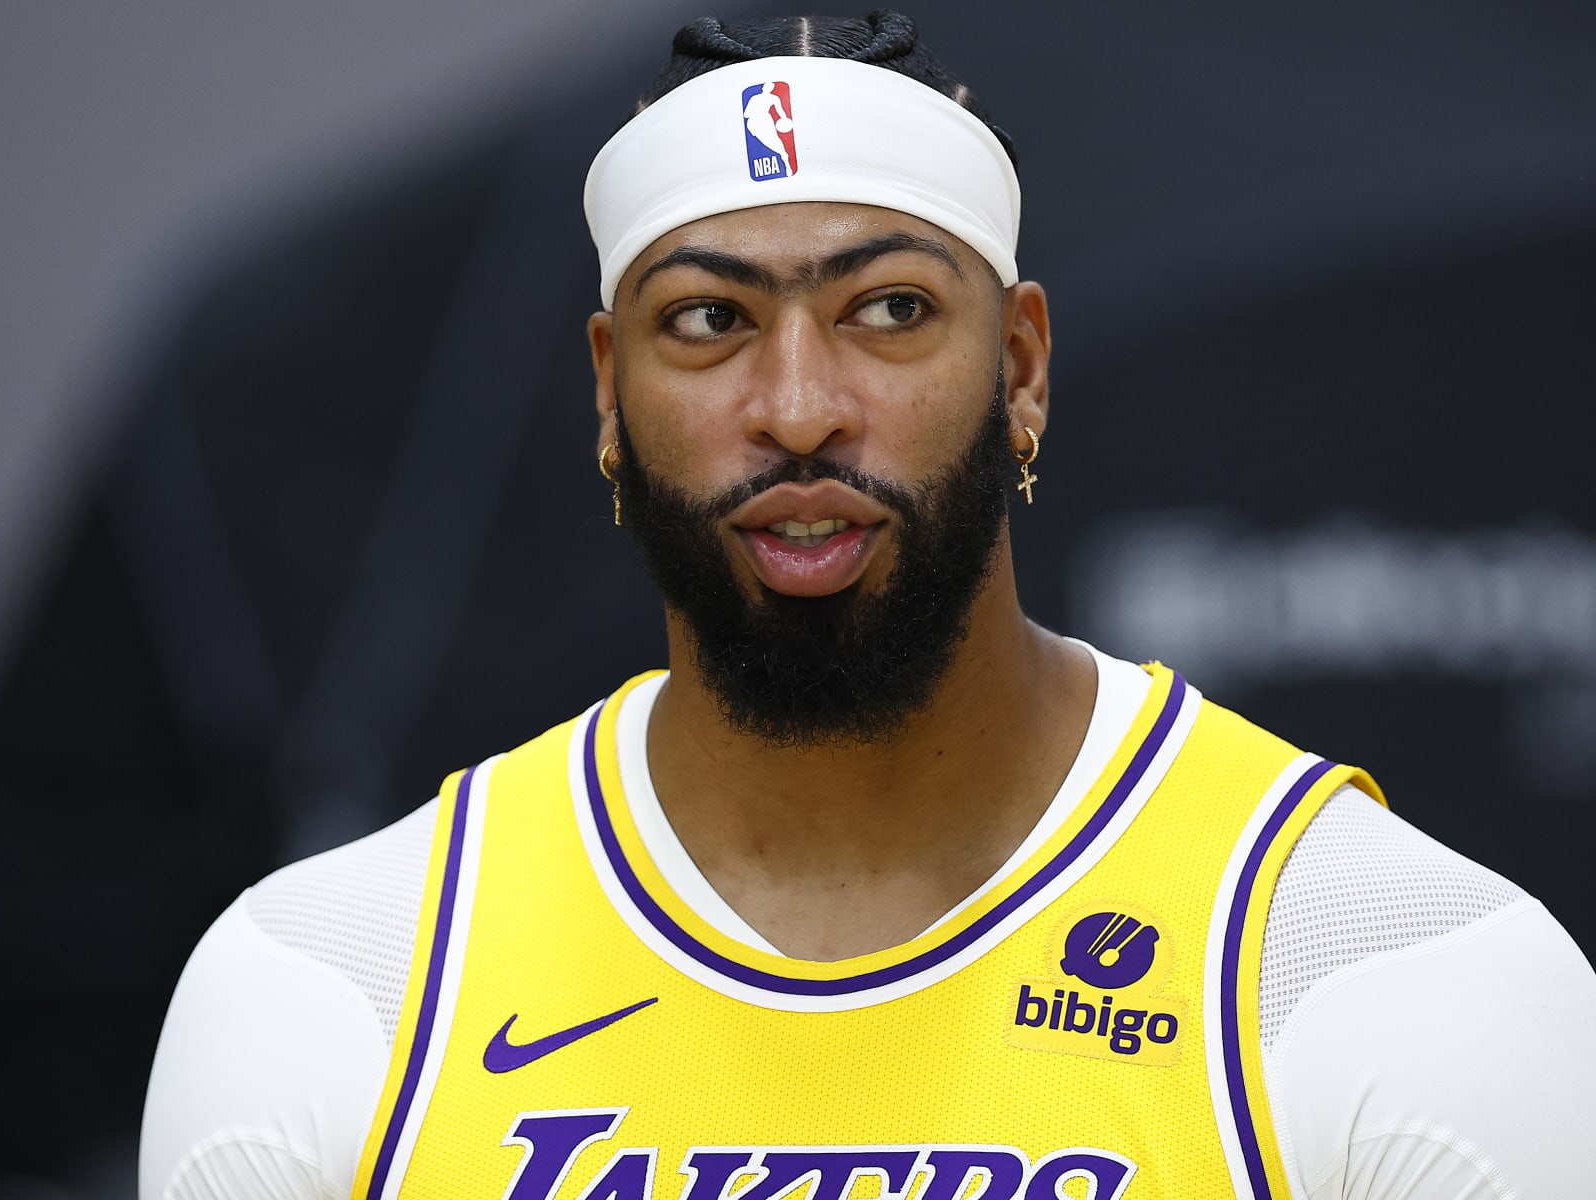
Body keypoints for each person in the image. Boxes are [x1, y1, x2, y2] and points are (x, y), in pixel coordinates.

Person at [139, 13, 1596, 1200]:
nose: (796, 409)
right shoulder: (339, 991)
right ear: (607, 394)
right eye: (707, 319)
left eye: (888, 309)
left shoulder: (1380, 970)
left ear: (1021, 367)